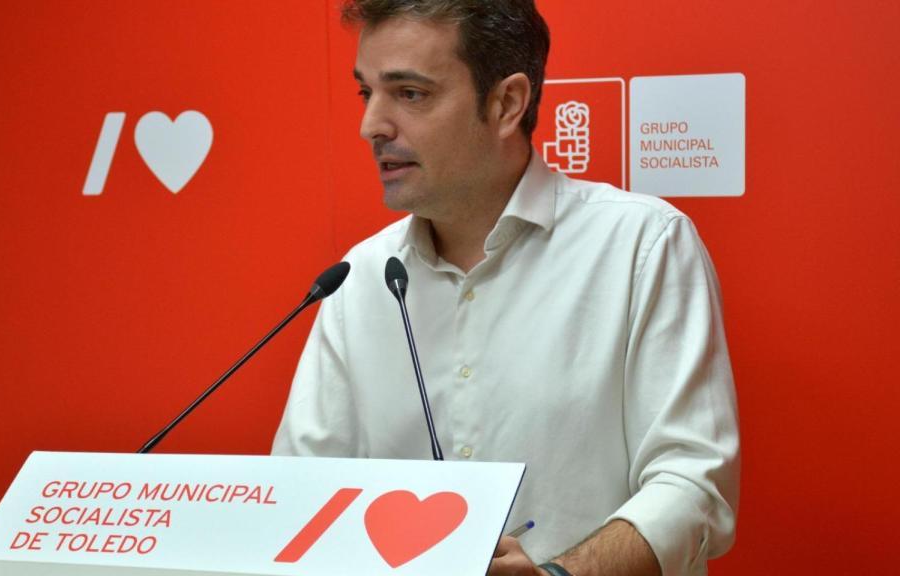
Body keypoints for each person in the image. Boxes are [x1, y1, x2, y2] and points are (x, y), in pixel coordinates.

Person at [271, 1, 740, 575]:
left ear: (506, 103)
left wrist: (558, 574)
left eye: (410, 94)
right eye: (367, 93)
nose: (372, 126)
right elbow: (301, 494)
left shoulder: (641, 246)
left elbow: (693, 483)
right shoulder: (361, 277)